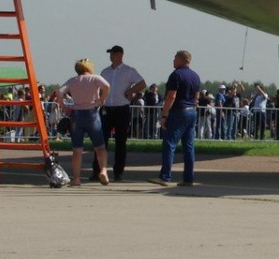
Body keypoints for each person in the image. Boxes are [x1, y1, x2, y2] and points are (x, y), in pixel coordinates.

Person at [53, 60, 111, 186]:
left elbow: (59, 92)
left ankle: (76, 178)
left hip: (76, 115)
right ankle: (103, 170)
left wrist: (65, 107)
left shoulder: (72, 81)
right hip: (93, 114)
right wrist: (101, 99)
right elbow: (107, 86)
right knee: (100, 147)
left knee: (77, 149)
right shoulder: (95, 78)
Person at [151, 50, 201, 187]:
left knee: (169, 143)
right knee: (189, 146)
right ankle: (188, 178)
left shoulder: (176, 75)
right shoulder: (195, 76)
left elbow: (171, 96)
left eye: (175, 58)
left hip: (179, 111)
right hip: (191, 111)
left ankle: (165, 176)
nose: (173, 60)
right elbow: (196, 97)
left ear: (180, 59)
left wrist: (164, 114)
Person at [98, 45, 146, 182]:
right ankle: (99, 170)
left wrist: (130, 91)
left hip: (122, 109)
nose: (111, 56)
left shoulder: (128, 70)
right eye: (110, 54)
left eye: (113, 54)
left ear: (120, 55)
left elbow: (142, 83)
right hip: (107, 108)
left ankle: (118, 172)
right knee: (101, 141)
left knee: (120, 142)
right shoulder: (105, 72)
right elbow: (100, 88)